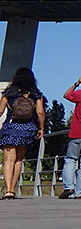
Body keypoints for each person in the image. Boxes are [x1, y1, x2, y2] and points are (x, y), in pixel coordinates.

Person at [0, 67, 47, 199]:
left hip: (10, 127)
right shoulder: (36, 95)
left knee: (8, 160)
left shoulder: (9, 93)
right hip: (27, 129)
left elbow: (0, 111)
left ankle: (7, 190)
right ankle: (13, 190)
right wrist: (41, 128)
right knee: (19, 160)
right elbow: (40, 113)